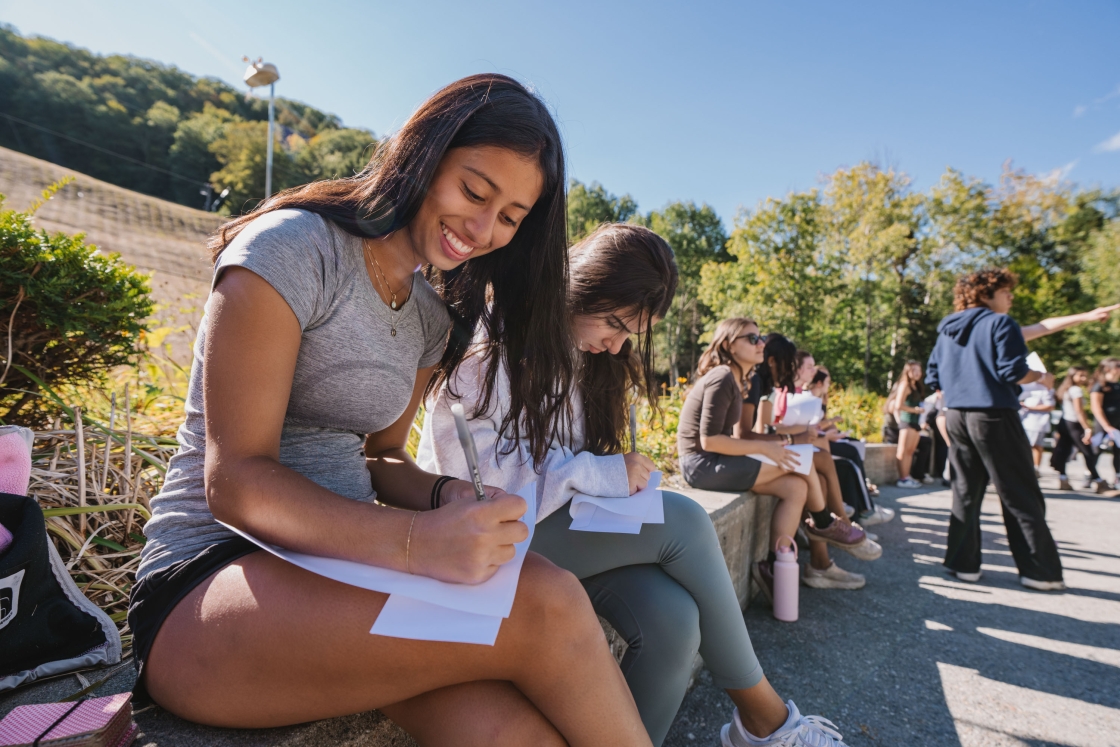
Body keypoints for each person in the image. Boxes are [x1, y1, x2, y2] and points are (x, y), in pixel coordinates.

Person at [128, 75, 654, 747]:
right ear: (424, 153)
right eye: (474, 191)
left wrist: (446, 494)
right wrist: (415, 544)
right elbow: (234, 484)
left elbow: (381, 456)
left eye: (511, 217)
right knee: (547, 601)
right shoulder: (292, 249)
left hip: (340, 575)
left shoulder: (432, 319)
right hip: (210, 583)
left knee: (518, 734)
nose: (484, 228)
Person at [419, 231, 851, 747]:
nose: (617, 345)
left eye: (631, 333)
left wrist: (608, 474)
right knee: (686, 520)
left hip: (546, 528)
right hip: (483, 535)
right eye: (615, 325)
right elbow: (481, 483)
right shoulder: (490, 345)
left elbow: (559, 464)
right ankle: (767, 721)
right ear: (576, 286)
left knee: (673, 618)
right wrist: (602, 474)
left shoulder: (576, 353)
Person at [926, 267, 1117, 592]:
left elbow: (934, 376)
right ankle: (1039, 572)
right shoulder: (1000, 323)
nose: (1011, 298)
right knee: (1019, 491)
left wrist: (1085, 316)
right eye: (1006, 292)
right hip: (994, 416)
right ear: (986, 293)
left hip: (957, 416)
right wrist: (1038, 377)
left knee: (966, 492)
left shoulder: (949, 329)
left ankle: (963, 566)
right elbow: (1012, 370)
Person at [1051, 367, 1105, 492]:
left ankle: (1063, 478)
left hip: (1064, 423)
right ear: (1072, 376)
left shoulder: (1066, 389)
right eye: (1081, 375)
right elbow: (1079, 411)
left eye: (1085, 375)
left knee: (1063, 451)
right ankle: (1098, 481)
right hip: (1074, 424)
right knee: (1088, 453)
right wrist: (1087, 428)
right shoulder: (1076, 390)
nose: (1084, 378)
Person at [889, 361, 926, 488]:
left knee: (910, 451)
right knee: (903, 450)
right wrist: (915, 410)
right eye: (914, 370)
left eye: (919, 370)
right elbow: (899, 405)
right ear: (908, 371)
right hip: (907, 421)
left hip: (916, 422)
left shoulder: (916, 386)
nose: (917, 373)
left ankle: (907, 476)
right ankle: (902, 478)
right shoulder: (904, 385)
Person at [1089, 358, 1120, 489]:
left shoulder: (1117, 385)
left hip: (1117, 425)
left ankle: (1117, 478)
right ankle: (1091, 475)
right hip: (1104, 425)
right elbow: (1096, 407)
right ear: (1108, 369)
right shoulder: (1100, 385)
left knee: (1118, 452)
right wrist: (1107, 427)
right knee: (1095, 451)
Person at [1018, 379, 1054, 477]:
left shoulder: (1046, 389)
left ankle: (1035, 468)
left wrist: (1029, 407)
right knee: (1028, 446)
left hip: (1037, 422)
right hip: (1026, 421)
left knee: (1035, 446)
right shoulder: (1028, 387)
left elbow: (1050, 405)